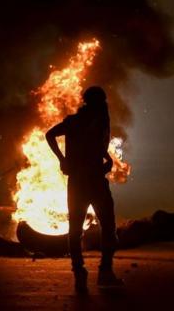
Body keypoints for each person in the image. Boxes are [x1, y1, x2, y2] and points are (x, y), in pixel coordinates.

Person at [46, 86, 123, 293]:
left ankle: (82, 273)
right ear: (98, 102)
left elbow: (51, 135)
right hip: (93, 182)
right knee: (107, 227)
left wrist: (106, 159)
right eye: (102, 101)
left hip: (82, 182)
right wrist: (63, 159)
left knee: (77, 229)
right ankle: (102, 273)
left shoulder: (78, 121)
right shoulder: (93, 120)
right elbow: (50, 134)